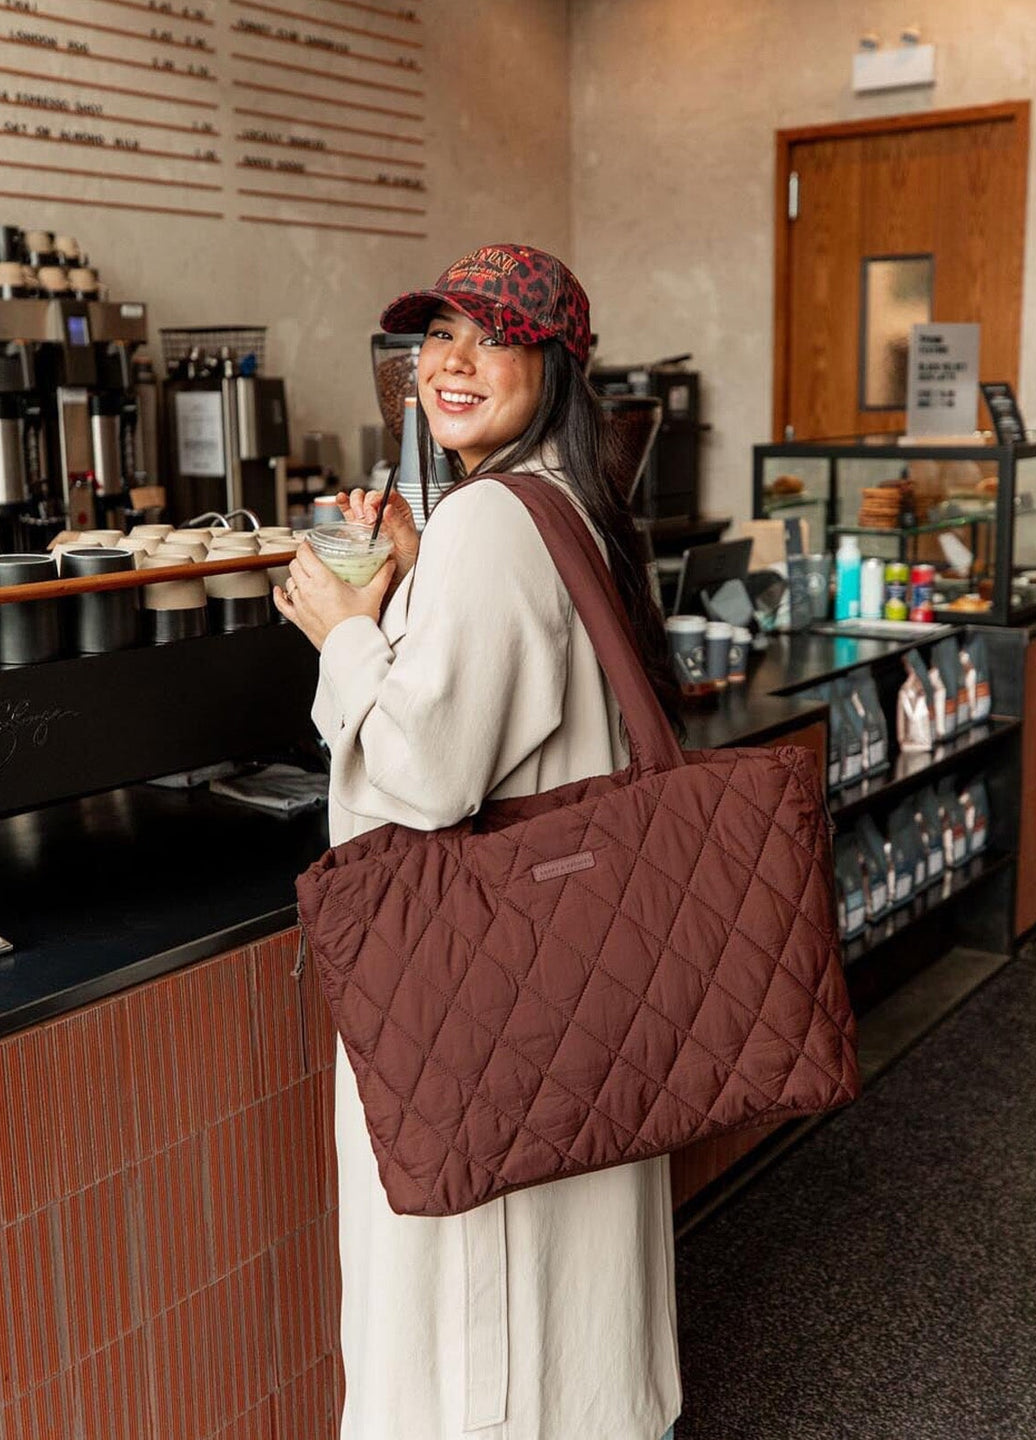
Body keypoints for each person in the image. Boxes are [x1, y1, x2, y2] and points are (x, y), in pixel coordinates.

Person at [275, 244, 682, 1440]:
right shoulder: (565, 505)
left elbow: (426, 774)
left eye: (493, 337)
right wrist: (403, 582)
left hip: (482, 991)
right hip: (572, 968)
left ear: (553, 365)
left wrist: (345, 629)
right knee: (571, 1303)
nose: (451, 363)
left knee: (480, 1330)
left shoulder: (494, 520)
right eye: (437, 336)